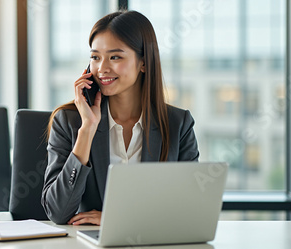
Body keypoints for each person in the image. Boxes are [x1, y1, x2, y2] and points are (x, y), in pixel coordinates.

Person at [41, 10, 199, 226]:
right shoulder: (70, 121)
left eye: (115, 57)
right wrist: (87, 129)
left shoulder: (178, 124)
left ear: (143, 63)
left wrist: (117, 220)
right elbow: (57, 212)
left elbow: (190, 210)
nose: (102, 69)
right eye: (95, 57)